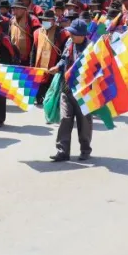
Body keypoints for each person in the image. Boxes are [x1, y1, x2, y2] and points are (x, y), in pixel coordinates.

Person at [50, 19, 93, 162]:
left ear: (82, 35)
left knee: (84, 121)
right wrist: (58, 67)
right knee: (65, 119)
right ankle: (62, 151)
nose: (71, 36)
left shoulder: (91, 48)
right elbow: (63, 59)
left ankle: (85, 150)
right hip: (66, 88)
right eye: (71, 33)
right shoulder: (69, 43)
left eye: (74, 34)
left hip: (83, 90)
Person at [31, 9, 68, 107]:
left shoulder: (61, 33)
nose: (45, 22)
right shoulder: (37, 33)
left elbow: (64, 53)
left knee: (52, 93)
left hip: (54, 66)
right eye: (44, 20)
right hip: (39, 66)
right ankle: (40, 98)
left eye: (48, 20)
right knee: (40, 91)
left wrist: (59, 68)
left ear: (53, 21)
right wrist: (31, 66)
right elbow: (34, 51)